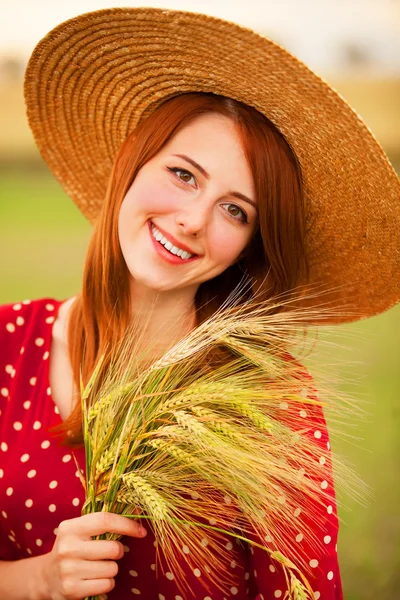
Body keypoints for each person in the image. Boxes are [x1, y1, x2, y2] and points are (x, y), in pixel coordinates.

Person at [0, 7, 399, 600]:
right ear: (130, 166)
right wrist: (39, 579)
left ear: (249, 247)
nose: (192, 221)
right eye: (184, 174)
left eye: (235, 210)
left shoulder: (268, 405)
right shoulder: (9, 340)